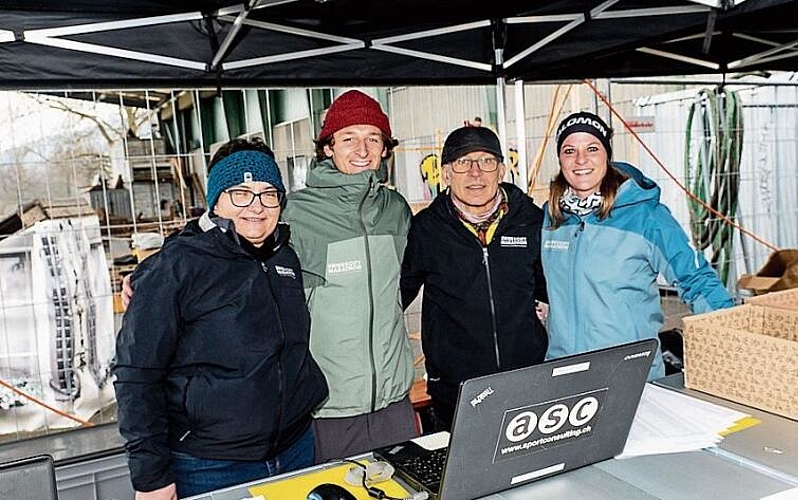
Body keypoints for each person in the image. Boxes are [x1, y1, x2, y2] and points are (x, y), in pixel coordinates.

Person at [114, 141, 329, 499]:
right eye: (240, 193)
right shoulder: (175, 268)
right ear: (216, 202)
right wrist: (151, 477)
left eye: (268, 194)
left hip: (294, 449)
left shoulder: (284, 259)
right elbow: (136, 374)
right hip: (210, 464)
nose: (256, 207)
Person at [541, 111, 733, 380]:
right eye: (569, 150)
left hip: (628, 376)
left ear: (606, 155)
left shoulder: (646, 216)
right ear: (560, 159)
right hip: (564, 374)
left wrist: (733, 335)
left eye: (592, 148)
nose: (581, 160)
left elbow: (696, 279)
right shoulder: (551, 218)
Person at [283, 90, 417, 462]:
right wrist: (150, 272)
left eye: (373, 138)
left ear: (385, 149)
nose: (362, 149)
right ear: (328, 148)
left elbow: (399, 288)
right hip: (331, 407)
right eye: (349, 138)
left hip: (394, 403)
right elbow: (232, 241)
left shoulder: (396, 210)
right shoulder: (295, 213)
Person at [401, 126, 547, 430]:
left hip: (528, 383)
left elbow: (551, 286)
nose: (475, 173)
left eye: (486, 161)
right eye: (462, 163)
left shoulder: (530, 221)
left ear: (502, 170)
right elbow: (396, 298)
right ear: (445, 174)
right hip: (457, 391)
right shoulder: (426, 230)